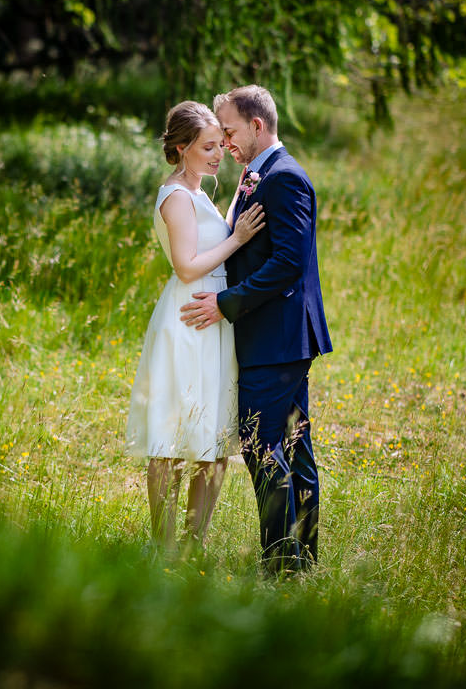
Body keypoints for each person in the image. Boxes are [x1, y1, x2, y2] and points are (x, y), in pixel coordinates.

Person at [179, 84, 333, 574]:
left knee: (262, 446)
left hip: (276, 335)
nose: (225, 141)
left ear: (257, 126)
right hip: (276, 335)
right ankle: (301, 557)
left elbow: (288, 262)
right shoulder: (256, 175)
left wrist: (226, 303)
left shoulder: (284, 178)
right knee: (292, 445)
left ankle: (281, 566)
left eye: (229, 131)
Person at [127, 100, 265, 554]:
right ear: (182, 148)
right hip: (188, 319)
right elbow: (187, 267)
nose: (218, 153)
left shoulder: (200, 192)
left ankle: (194, 543)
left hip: (214, 318)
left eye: (221, 145)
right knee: (171, 436)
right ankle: (165, 545)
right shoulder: (176, 197)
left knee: (214, 438)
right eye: (208, 147)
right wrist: (238, 239)